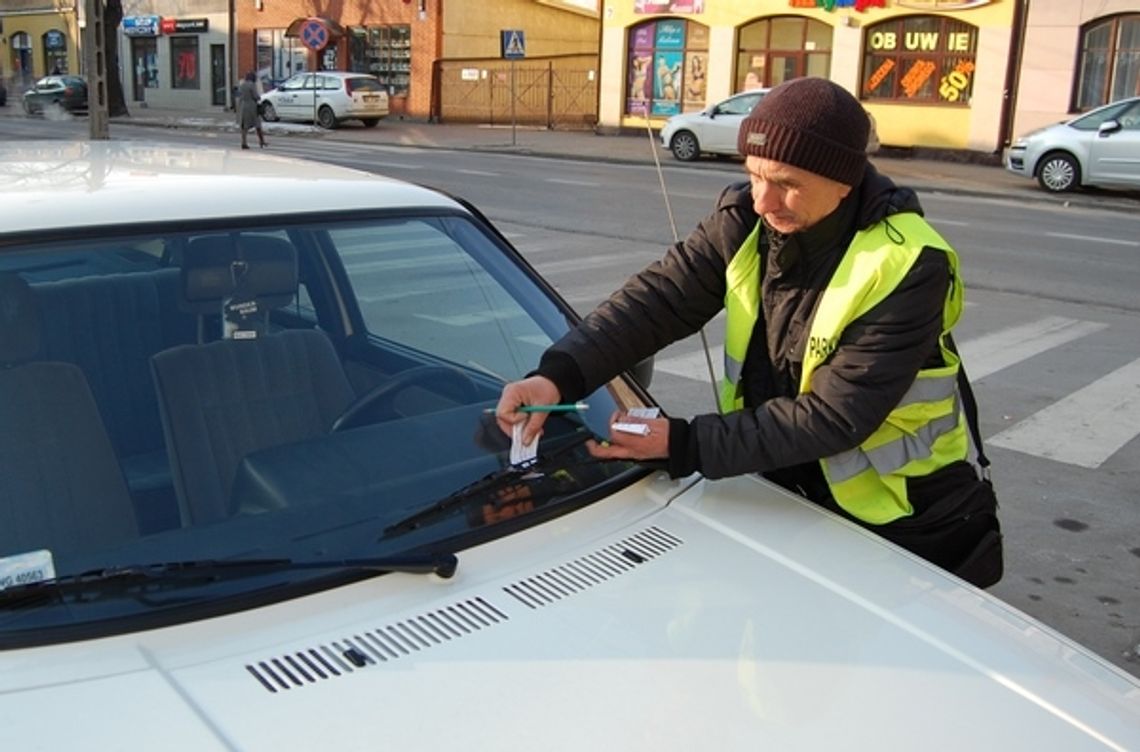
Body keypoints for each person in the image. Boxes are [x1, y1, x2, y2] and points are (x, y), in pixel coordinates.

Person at [494, 77, 1003, 588]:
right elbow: (658, 302)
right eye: (754, 174)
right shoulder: (746, 223)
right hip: (780, 492)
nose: (764, 200)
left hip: (898, 517)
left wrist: (682, 444)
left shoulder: (907, 261)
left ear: (845, 180)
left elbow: (836, 415)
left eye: (787, 182)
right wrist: (558, 377)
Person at [237, 71, 267, 150]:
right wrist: (259, 98)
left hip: (243, 106)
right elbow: (256, 96)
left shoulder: (242, 85)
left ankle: (244, 142)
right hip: (252, 107)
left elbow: (239, 95)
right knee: (258, 124)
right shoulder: (252, 85)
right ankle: (262, 141)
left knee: (244, 126)